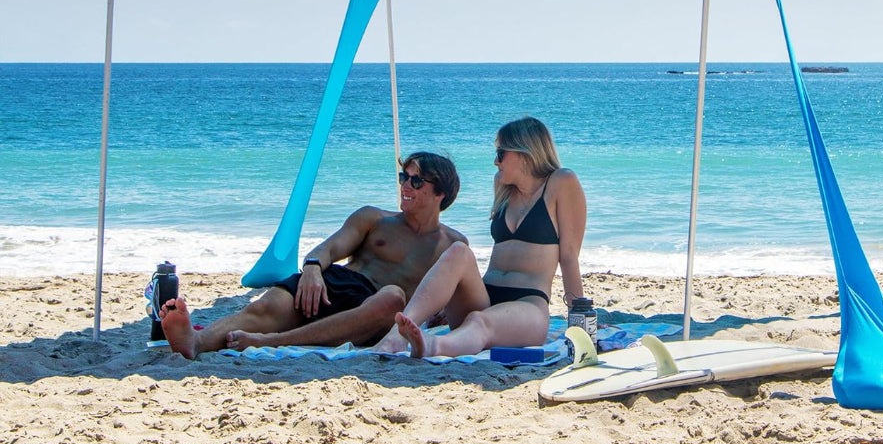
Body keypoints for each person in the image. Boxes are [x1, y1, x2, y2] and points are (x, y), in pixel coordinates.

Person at [159, 152, 466, 358]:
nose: (405, 186)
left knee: (394, 298)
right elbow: (329, 248)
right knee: (265, 308)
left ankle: (272, 342)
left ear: (441, 193)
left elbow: (456, 297)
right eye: (403, 177)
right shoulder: (374, 218)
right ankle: (195, 341)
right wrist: (312, 268)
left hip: (376, 308)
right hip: (335, 283)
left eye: (416, 181)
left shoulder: (453, 245)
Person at [372, 117, 586, 358]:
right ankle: (396, 337)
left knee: (478, 321)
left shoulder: (561, 182)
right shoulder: (502, 185)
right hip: (483, 296)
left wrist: (580, 323)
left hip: (527, 305)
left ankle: (433, 346)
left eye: (501, 153)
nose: (495, 161)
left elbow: (568, 256)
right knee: (458, 251)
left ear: (525, 152)